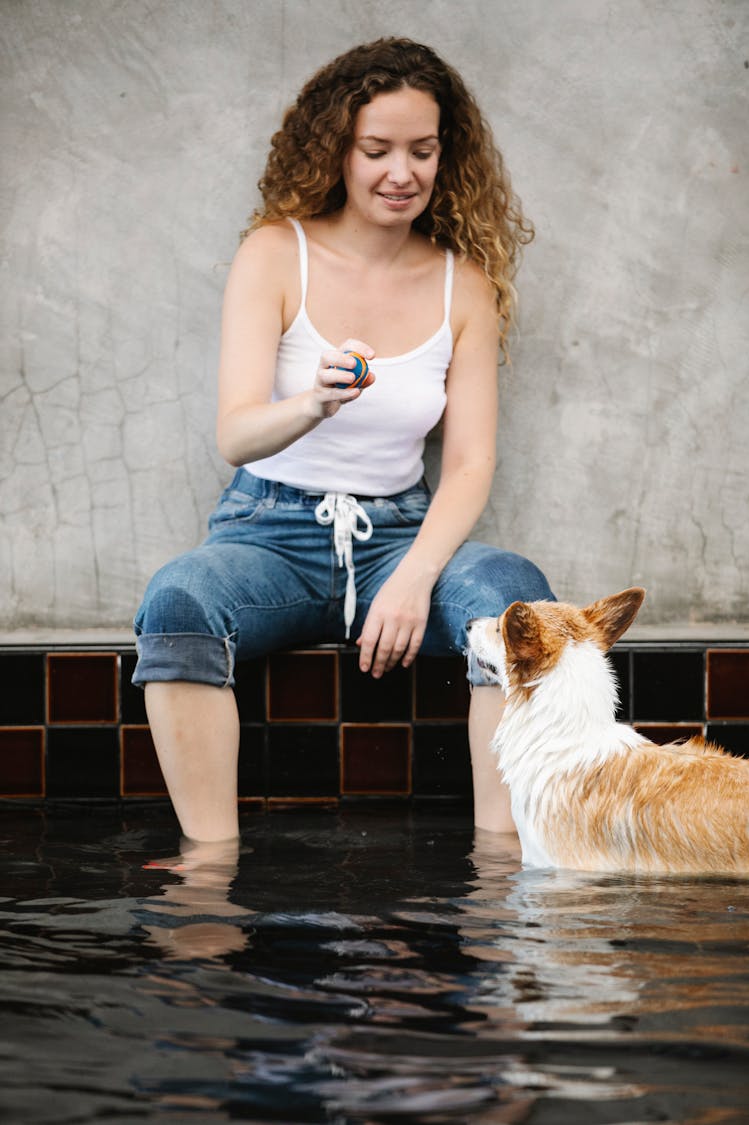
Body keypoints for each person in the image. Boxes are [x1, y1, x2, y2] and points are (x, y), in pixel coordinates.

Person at [132, 37, 554, 843]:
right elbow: (236, 433)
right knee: (178, 600)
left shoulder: (462, 284)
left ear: (444, 156)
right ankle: (209, 874)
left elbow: (469, 461)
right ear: (338, 150)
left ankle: (502, 871)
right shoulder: (274, 252)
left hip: (399, 538)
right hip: (269, 535)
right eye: (377, 150)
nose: (402, 172)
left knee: (512, 593)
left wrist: (414, 579)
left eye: (423, 151)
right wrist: (313, 404)